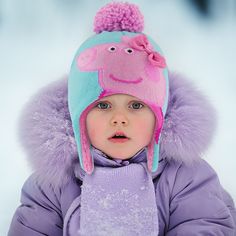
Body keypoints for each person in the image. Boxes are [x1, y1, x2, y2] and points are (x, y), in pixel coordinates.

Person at [8, 2, 236, 236]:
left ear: (160, 115)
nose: (119, 119)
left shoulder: (186, 177)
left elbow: (206, 224)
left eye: (136, 105)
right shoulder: (53, 184)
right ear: (78, 116)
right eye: (103, 105)